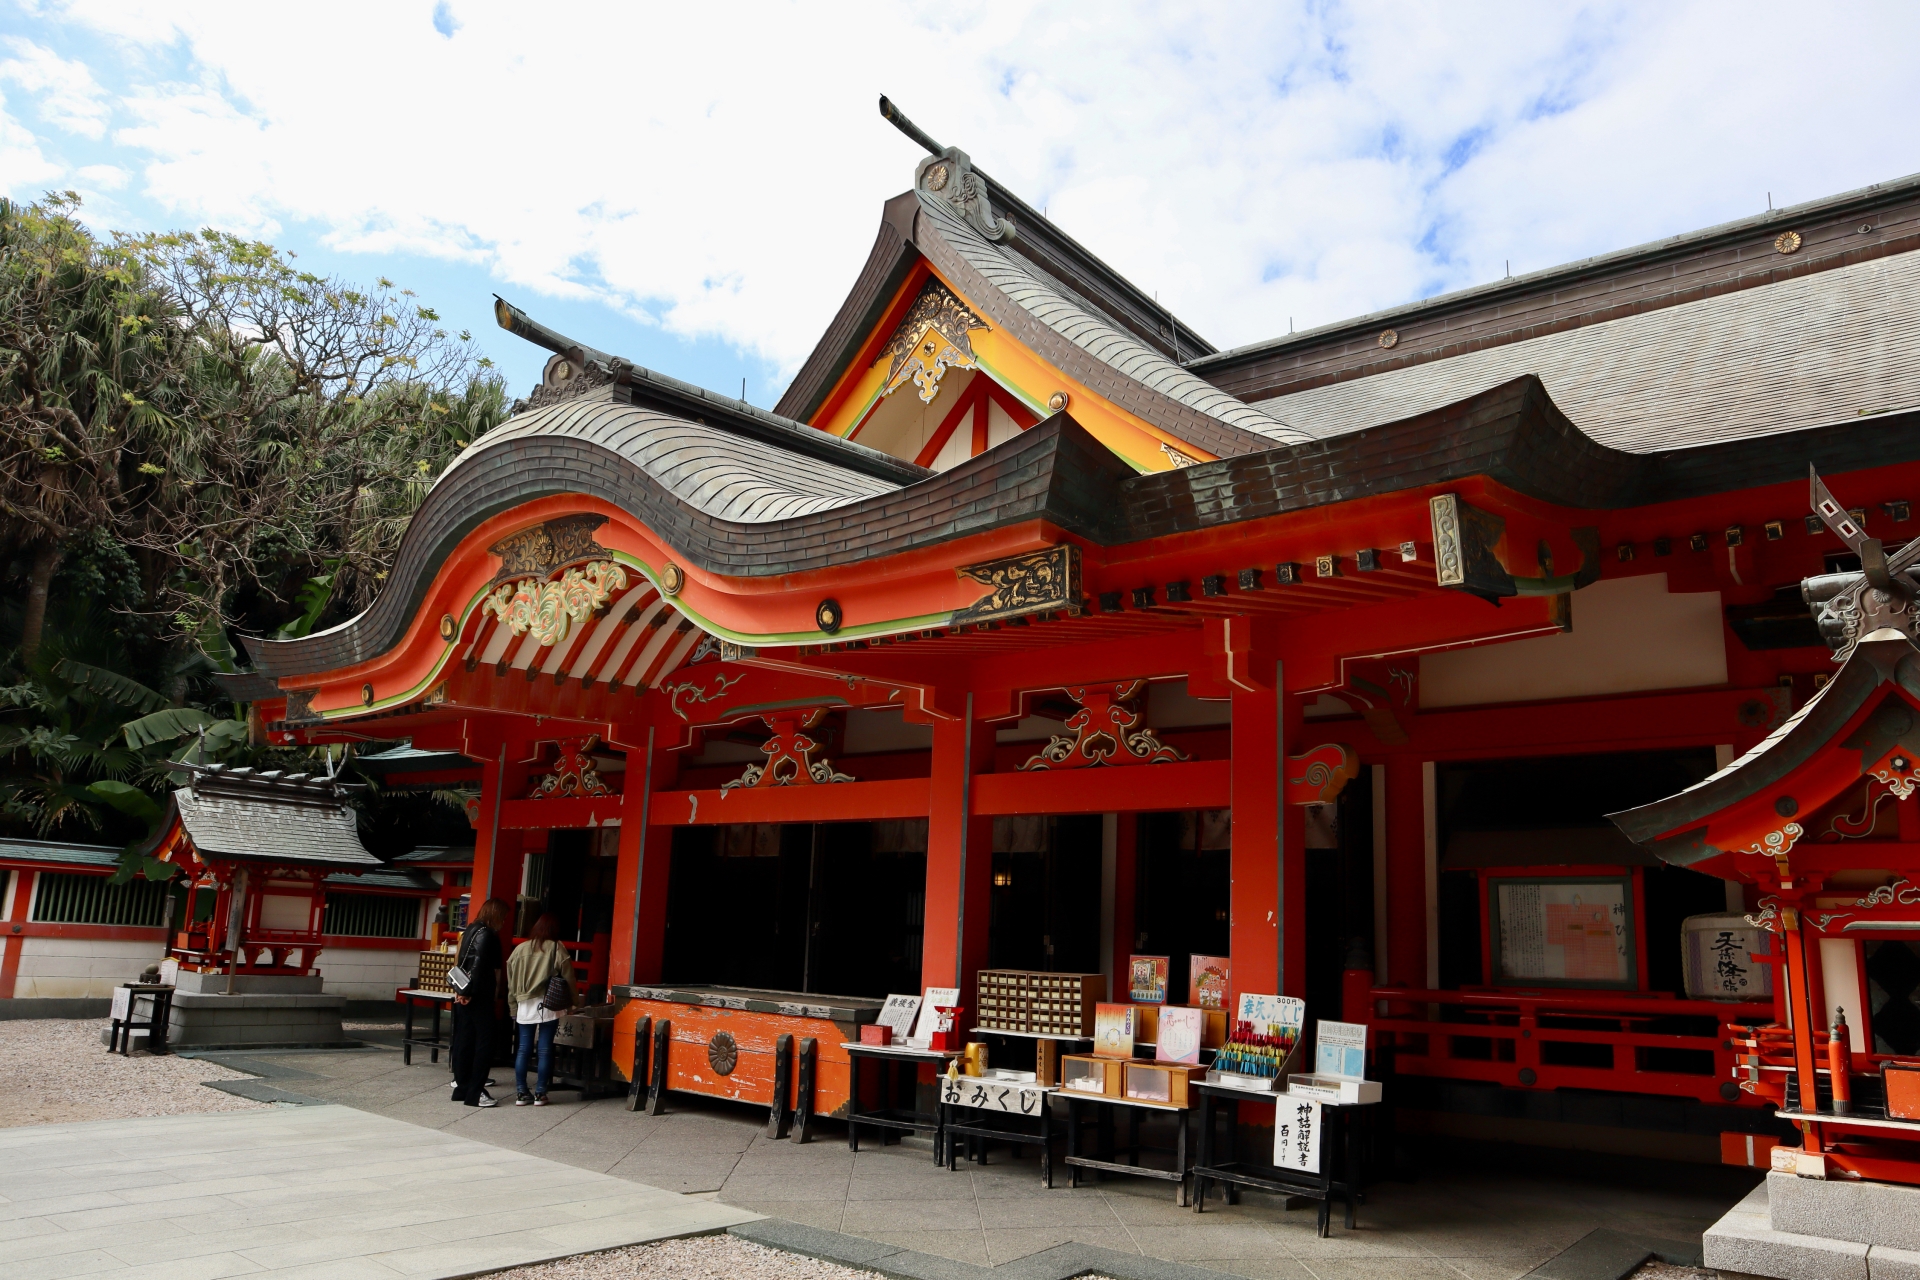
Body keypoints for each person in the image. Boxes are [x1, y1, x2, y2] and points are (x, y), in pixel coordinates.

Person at [449, 897, 509, 1108]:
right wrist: (473, 992)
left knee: (465, 1040)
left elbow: (463, 962)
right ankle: (475, 1092)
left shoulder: (471, 930)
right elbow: (481, 966)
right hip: (478, 995)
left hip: (465, 992)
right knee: (485, 1043)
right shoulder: (488, 935)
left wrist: (460, 990)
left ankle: (462, 1087)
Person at [506, 912, 570, 1106]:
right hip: (548, 1003)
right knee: (544, 1048)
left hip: (524, 1002)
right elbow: (569, 977)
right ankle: (540, 1092)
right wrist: (573, 1002)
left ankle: (521, 1092)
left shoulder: (520, 949)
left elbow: (511, 980)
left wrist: (512, 1005)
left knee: (523, 1049)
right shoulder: (557, 948)